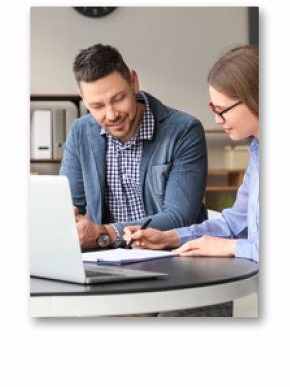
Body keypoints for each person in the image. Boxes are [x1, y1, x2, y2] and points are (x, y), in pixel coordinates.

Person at [125, 45, 259, 316]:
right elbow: (234, 222)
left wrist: (231, 247)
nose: (216, 119)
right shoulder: (258, 154)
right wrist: (169, 237)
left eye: (222, 109)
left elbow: (235, 238)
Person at [60, 43, 207, 250]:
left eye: (118, 99)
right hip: (104, 259)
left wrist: (106, 234)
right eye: (97, 106)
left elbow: (179, 216)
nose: (111, 115)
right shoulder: (80, 132)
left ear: (134, 82)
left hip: (169, 258)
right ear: (83, 99)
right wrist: (68, 218)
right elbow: (68, 204)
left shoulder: (184, 131)